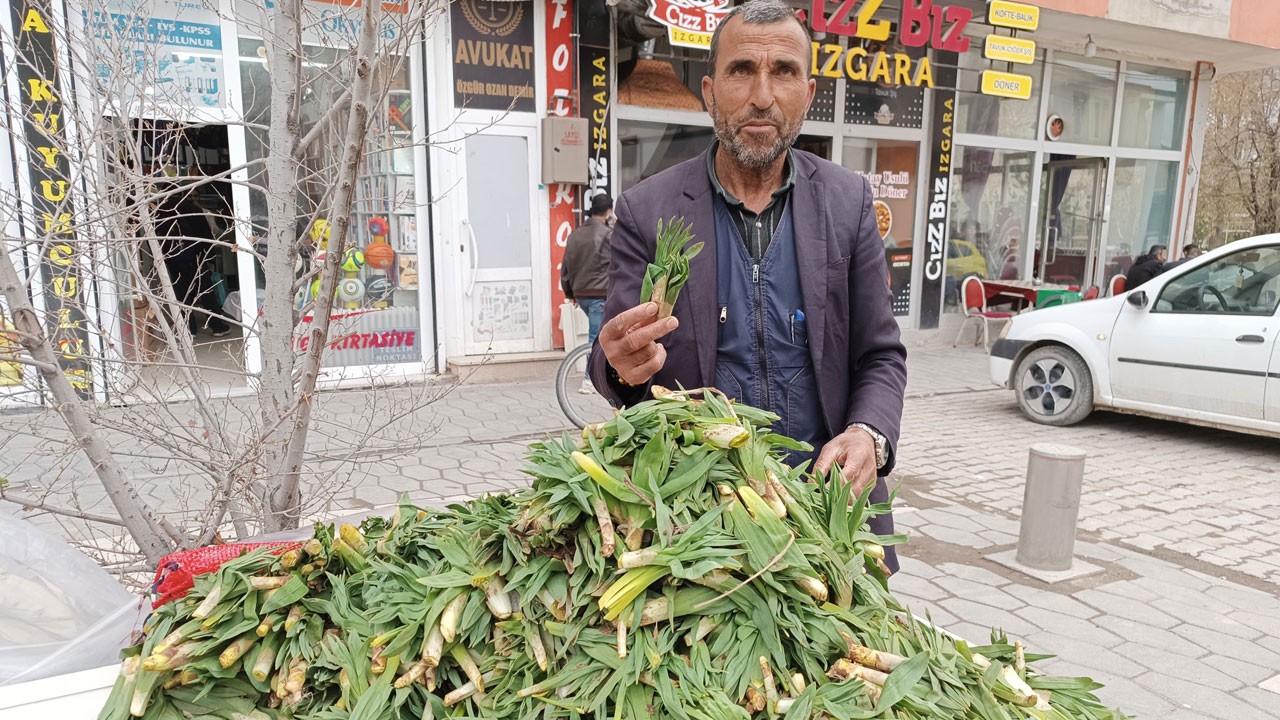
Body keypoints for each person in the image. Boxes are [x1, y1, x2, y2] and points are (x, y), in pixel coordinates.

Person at [588, 0, 908, 571]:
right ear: (709, 92)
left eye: (783, 71)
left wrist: (868, 435)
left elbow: (881, 354)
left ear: (808, 94)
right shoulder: (648, 209)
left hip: (827, 511)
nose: (762, 95)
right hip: (702, 523)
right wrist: (619, 365)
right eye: (742, 71)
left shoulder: (848, 201)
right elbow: (618, 368)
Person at [561, 193, 615, 394]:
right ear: (609, 211)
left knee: (600, 334)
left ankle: (604, 375)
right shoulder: (609, 234)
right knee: (595, 337)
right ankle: (589, 380)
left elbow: (565, 267)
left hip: (581, 293)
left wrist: (570, 293)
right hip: (600, 293)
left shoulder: (575, 234)